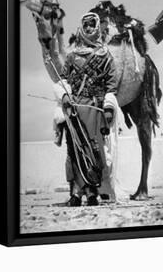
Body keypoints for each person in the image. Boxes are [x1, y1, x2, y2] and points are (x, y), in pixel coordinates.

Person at [49, 12, 119, 206]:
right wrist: (64, 95)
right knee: (74, 149)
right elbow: (63, 79)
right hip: (74, 109)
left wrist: (108, 106)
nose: (88, 28)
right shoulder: (71, 56)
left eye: (92, 25)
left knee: (94, 149)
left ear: (97, 27)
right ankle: (77, 192)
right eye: (85, 25)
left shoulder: (105, 56)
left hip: (94, 108)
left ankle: (94, 192)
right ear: (81, 27)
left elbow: (112, 84)